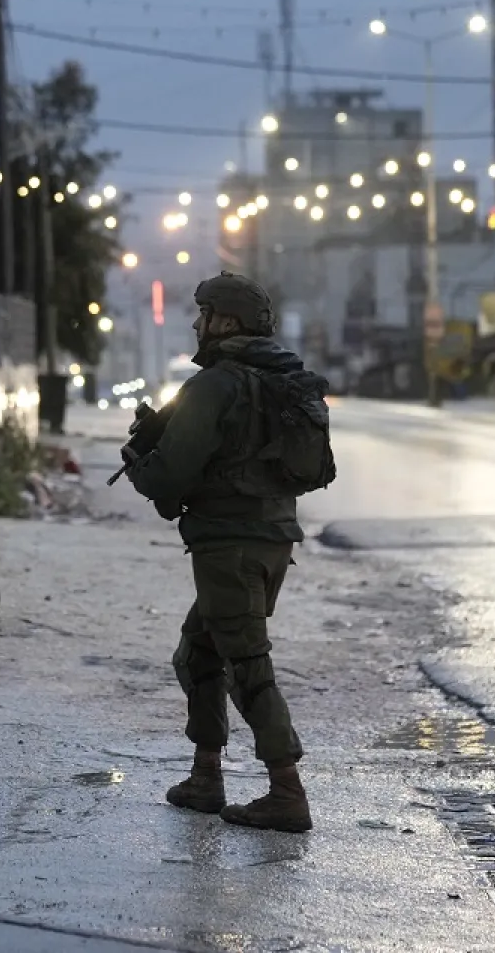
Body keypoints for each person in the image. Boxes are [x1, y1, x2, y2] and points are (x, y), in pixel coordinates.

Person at [122, 271, 335, 834]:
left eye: (205, 313)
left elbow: (170, 473)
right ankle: (205, 776)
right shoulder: (276, 380)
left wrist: (141, 460)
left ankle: (287, 791)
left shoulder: (216, 385)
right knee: (199, 654)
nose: (197, 323)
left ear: (227, 322)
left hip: (228, 544)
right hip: (269, 541)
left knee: (247, 665)